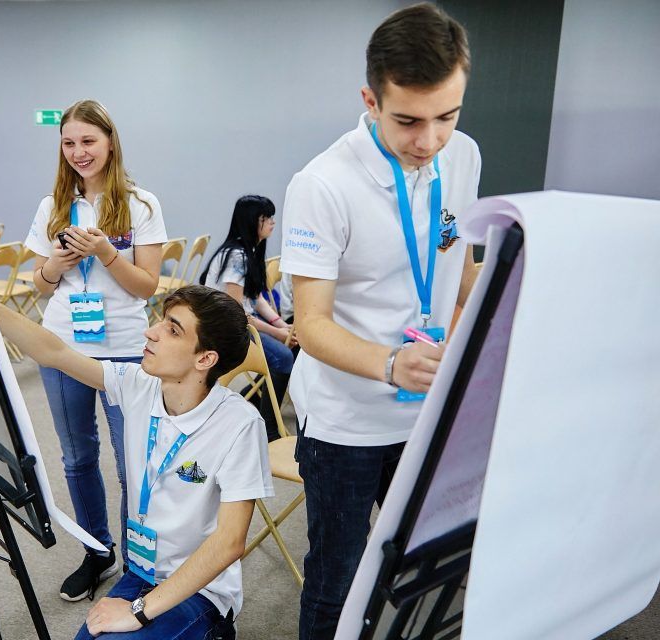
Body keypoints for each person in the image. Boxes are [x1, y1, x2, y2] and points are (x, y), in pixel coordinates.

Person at [279, 4, 483, 638]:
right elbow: (310, 325)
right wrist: (392, 363)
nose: (429, 141)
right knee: (337, 580)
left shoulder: (463, 157)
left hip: (427, 411)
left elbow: (458, 262)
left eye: (447, 116)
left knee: (428, 566)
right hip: (345, 421)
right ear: (370, 100)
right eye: (408, 120)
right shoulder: (322, 184)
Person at [0, 286, 273, 640]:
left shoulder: (240, 424)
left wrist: (138, 611)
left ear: (205, 359)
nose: (151, 332)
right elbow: (55, 352)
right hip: (141, 572)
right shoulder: (139, 384)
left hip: (202, 591)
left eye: (172, 330)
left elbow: (230, 542)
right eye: (161, 322)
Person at [25, 99, 168, 601]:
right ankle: (97, 551)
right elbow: (40, 284)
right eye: (69, 142)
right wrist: (57, 264)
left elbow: (147, 286)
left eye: (88, 140)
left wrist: (106, 252)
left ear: (110, 142)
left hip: (126, 350)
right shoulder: (52, 206)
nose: (78, 151)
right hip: (61, 348)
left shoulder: (141, 204)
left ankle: (135, 563)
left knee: (132, 464)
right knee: (78, 457)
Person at [199, 195, 296, 442]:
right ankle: (270, 429)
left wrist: (281, 325)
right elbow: (238, 313)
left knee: (291, 348)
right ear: (252, 221)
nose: (273, 222)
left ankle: (250, 398)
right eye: (267, 218)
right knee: (284, 357)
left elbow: (255, 298)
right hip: (225, 328)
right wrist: (278, 333)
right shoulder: (236, 256)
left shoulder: (250, 250)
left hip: (241, 322)